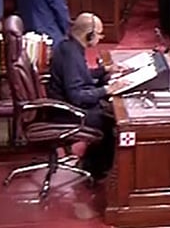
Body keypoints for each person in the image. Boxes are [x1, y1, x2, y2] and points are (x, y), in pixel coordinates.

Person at [47, 13, 121, 180]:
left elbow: (80, 76)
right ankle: (97, 171)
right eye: (99, 34)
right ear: (89, 34)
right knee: (113, 121)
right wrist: (107, 90)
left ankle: (91, 164)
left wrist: (104, 71)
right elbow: (77, 96)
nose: (101, 38)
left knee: (109, 112)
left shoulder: (69, 47)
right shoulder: (71, 54)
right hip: (69, 112)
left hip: (69, 105)